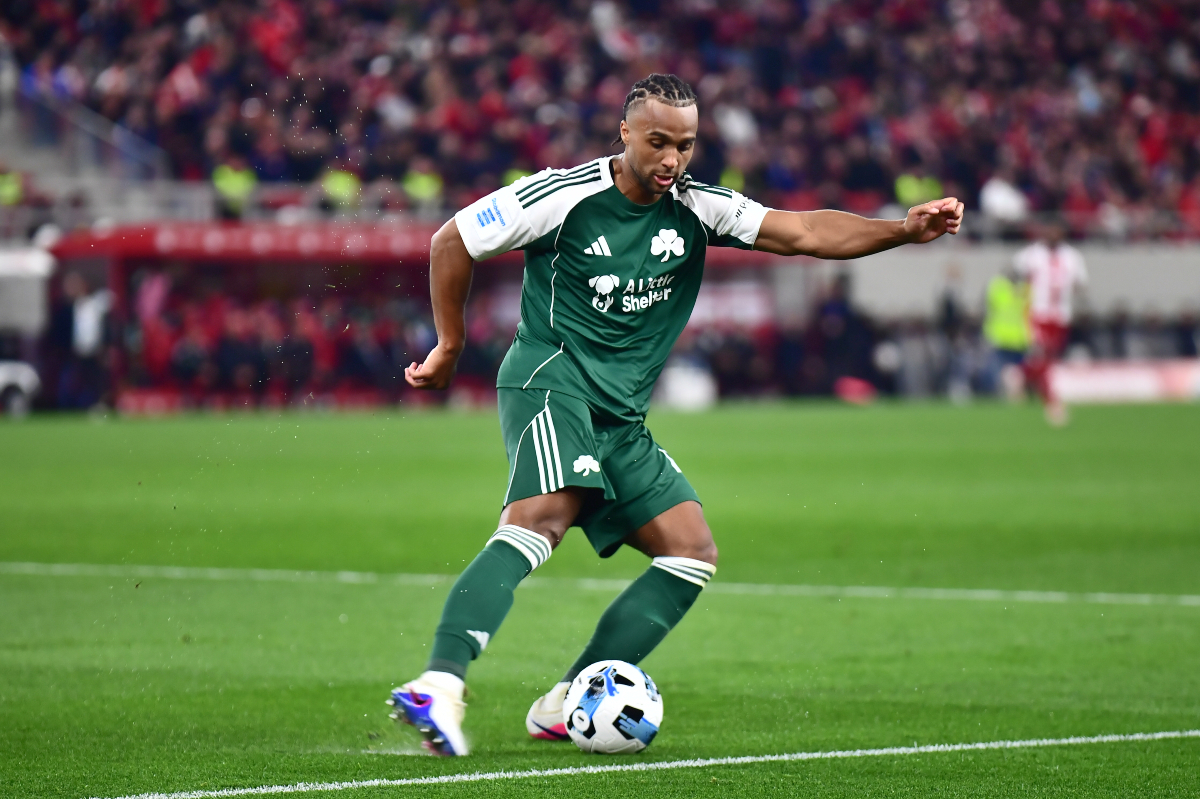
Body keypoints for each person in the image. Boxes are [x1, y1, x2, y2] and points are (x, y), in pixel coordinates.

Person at [387, 74, 964, 756]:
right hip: (552, 384)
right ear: (625, 133)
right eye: (658, 142)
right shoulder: (563, 195)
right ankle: (439, 684)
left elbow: (805, 230)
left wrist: (902, 230)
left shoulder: (701, 207)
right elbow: (451, 239)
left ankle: (566, 701)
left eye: (685, 145)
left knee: (690, 551)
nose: (671, 159)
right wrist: (449, 346)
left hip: (621, 416)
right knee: (540, 520)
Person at [1013, 222, 1087, 425]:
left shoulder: (1072, 257)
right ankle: (1052, 404)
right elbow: (1017, 274)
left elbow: (1081, 283)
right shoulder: (1031, 254)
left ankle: (1022, 374)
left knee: (1048, 360)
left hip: (1061, 315)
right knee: (1043, 358)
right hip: (1038, 312)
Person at [983, 264, 1031, 401]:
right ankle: (1012, 393)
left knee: (1007, 369)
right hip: (1012, 337)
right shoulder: (1023, 289)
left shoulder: (998, 287)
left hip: (1008, 336)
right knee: (1011, 369)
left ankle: (1011, 393)